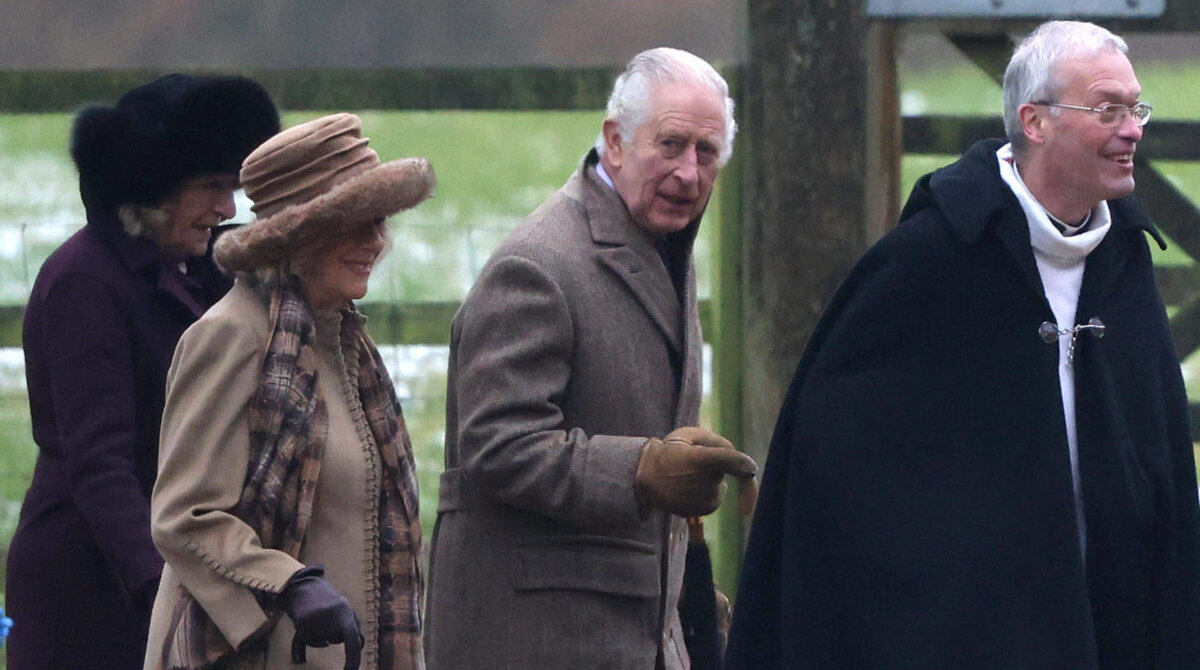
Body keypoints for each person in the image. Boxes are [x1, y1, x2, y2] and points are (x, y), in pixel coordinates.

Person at [725, 20, 1200, 669]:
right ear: (1035, 121)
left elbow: (1158, 464)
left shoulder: (1125, 264)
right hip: (965, 634)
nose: (1133, 130)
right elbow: (834, 468)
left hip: (1110, 620)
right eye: (1108, 110)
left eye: (1135, 109)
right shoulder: (931, 259)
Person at [424, 47, 757, 669]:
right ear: (616, 141)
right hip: (541, 642)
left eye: (706, 152)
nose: (688, 172)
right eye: (671, 144)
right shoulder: (538, 265)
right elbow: (498, 445)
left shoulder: (659, 244)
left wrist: (681, 602)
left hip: (626, 631)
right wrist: (643, 469)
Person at [141, 113, 435, 670]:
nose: (375, 240)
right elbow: (184, 515)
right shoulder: (232, 334)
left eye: (379, 220)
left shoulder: (346, 341)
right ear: (298, 237)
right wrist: (290, 584)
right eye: (352, 222)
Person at [5, 73, 278, 670]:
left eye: (232, 187)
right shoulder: (84, 283)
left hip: (172, 566)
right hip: (94, 587)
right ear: (153, 189)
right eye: (210, 187)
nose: (227, 209)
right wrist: (164, 593)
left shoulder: (198, 269)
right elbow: (100, 466)